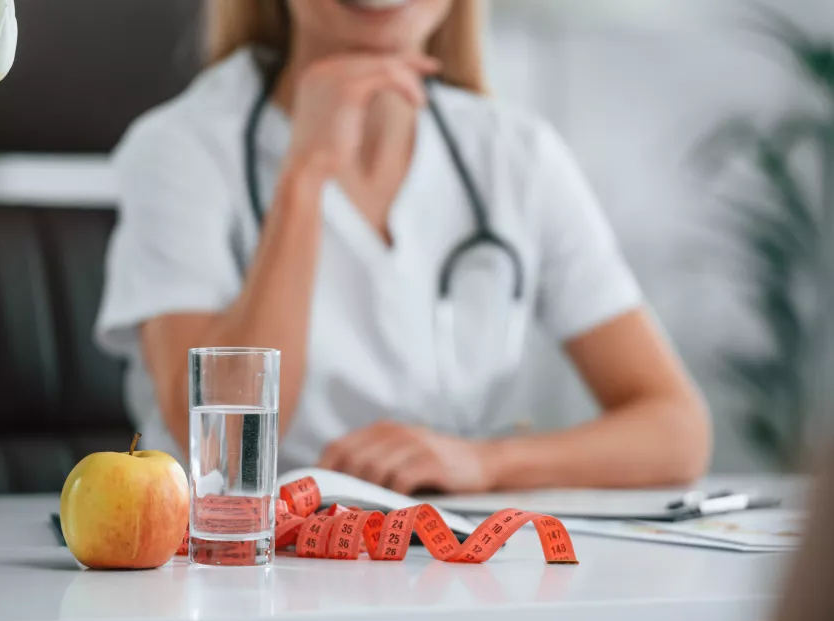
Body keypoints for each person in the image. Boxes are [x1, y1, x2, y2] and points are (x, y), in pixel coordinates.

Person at [95, 0, 711, 494]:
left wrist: (486, 463)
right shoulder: (179, 148)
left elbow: (676, 429)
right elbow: (225, 454)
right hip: (237, 574)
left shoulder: (516, 156)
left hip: (438, 571)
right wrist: (305, 177)